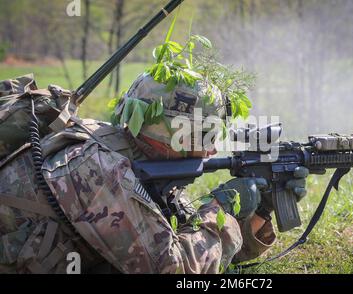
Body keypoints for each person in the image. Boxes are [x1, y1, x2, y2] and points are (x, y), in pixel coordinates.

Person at [0, 72, 308, 274]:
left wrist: (261, 208)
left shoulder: (135, 156)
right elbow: (175, 269)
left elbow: (207, 251)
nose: (213, 149)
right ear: (170, 133)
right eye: (205, 135)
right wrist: (221, 209)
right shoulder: (100, 171)